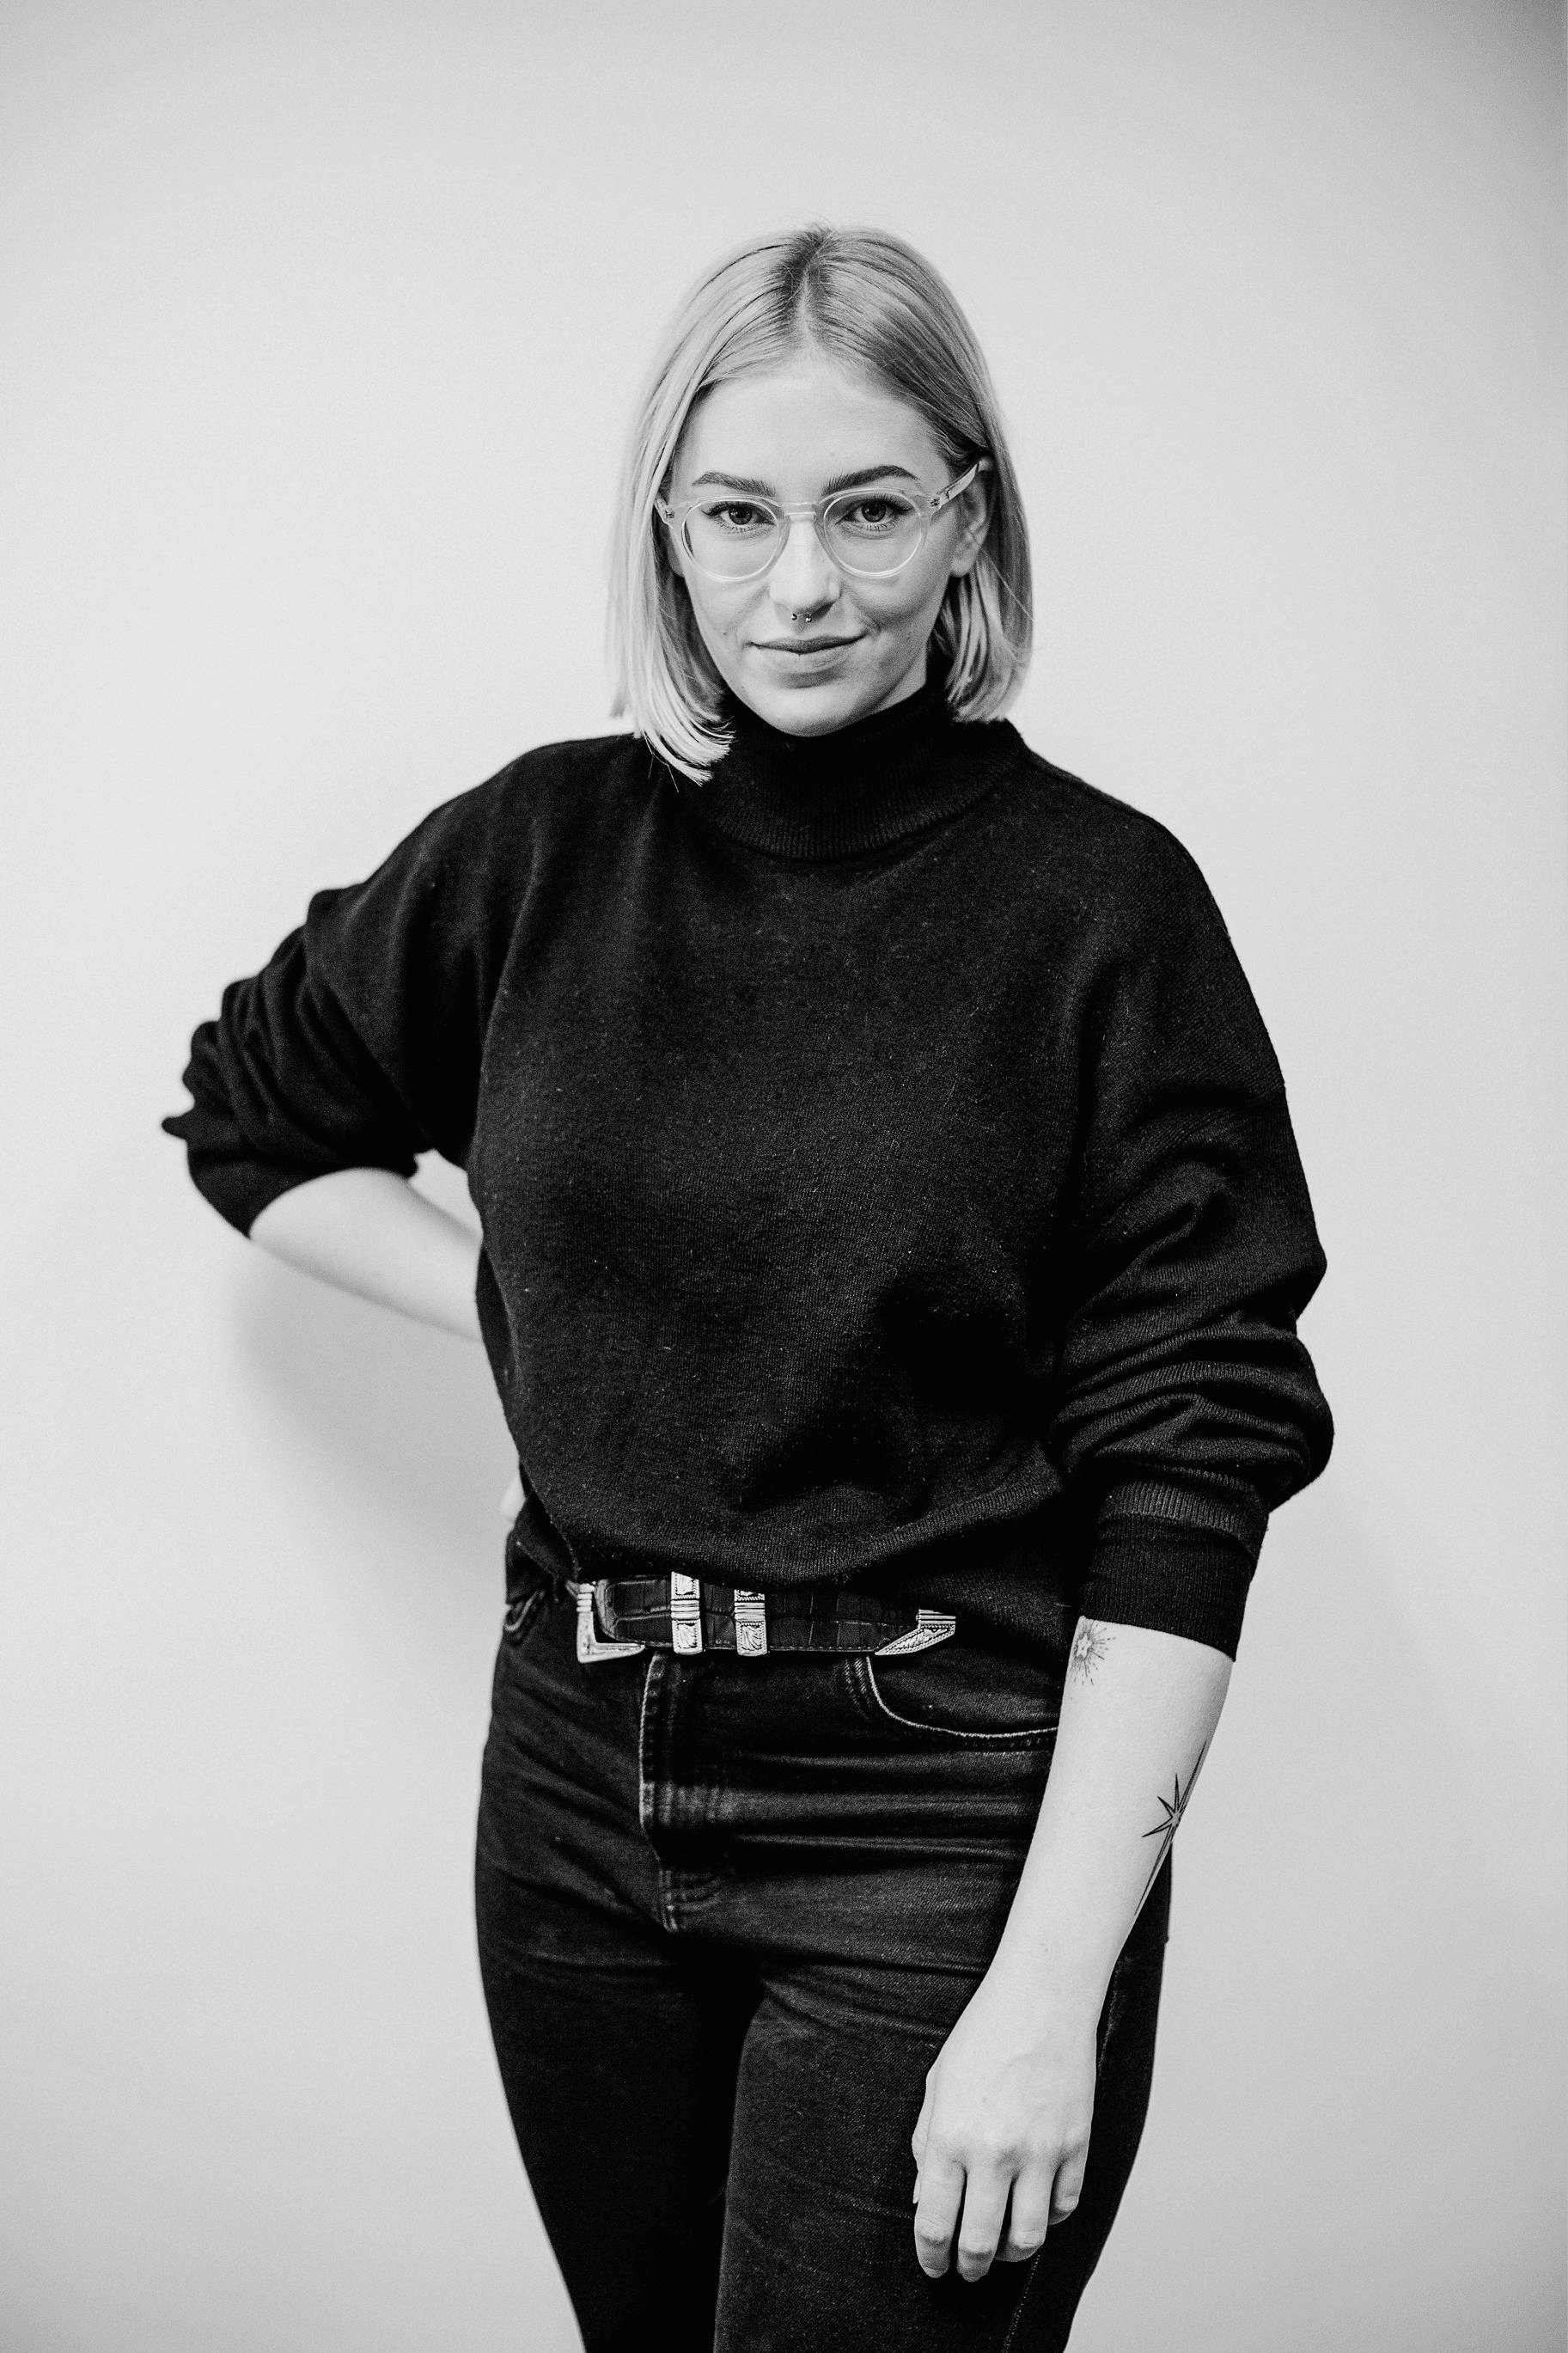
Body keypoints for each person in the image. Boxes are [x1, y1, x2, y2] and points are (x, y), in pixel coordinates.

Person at [165, 223, 1332, 2352]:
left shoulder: (1100, 909)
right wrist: (532, 1304)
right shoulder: (540, 853)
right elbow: (259, 1117)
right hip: (577, 1787)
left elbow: (1196, 1461)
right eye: (739, 514)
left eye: (869, 509)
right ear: (667, 530)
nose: (803, 584)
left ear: (967, 518)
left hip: (936, 1816)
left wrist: (1049, 1988)